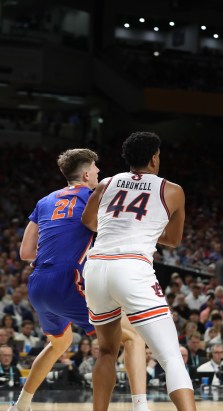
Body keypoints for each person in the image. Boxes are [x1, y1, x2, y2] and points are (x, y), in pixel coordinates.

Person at [11, 148, 150, 411]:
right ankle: (140, 407)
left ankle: (21, 405)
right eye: (96, 168)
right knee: (133, 336)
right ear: (86, 174)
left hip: (38, 283)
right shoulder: (95, 195)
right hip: (67, 280)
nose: (99, 172)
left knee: (59, 344)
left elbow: (25, 252)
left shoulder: (44, 201)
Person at [81, 132, 195, 411]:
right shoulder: (173, 190)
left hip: (96, 268)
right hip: (132, 267)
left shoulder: (106, 183)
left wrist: (118, 228)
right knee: (170, 357)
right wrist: (142, 230)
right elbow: (173, 239)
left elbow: (88, 221)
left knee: (107, 351)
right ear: (155, 157)